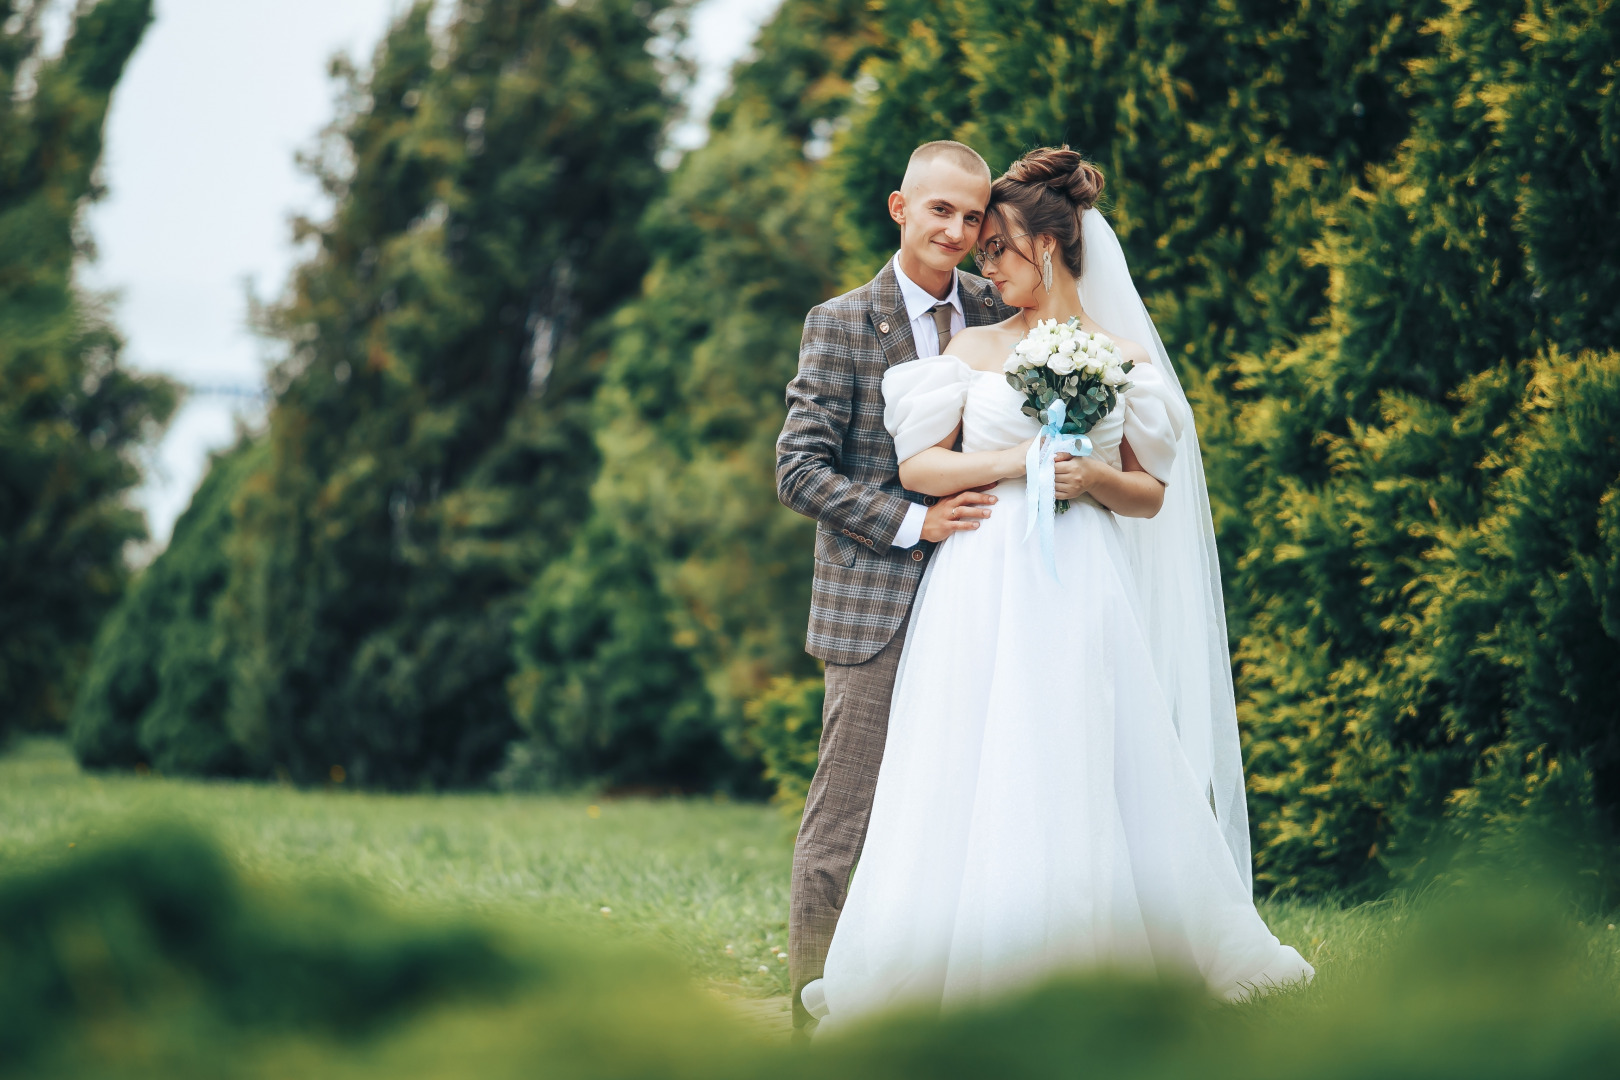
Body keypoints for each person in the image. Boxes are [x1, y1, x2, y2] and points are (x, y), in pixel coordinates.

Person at [795, 146, 1315, 1035]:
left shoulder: (1110, 354)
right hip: (971, 581)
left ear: (1046, 245)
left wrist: (1087, 478)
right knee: (936, 776)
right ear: (904, 208)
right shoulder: (940, 339)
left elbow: (1148, 491)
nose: (978, 256)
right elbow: (897, 465)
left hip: (1078, 588)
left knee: (1076, 759)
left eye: (993, 241)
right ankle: (885, 998)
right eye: (965, 232)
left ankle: (1084, 967)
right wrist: (1022, 463)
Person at [775, 139, 1021, 1038]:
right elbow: (798, 471)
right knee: (846, 821)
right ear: (899, 208)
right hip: (876, 608)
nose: (956, 230)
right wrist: (916, 521)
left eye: (971, 216)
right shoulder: (840, 322)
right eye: (939, 211)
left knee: (964, 812)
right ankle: (813, 1027)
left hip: (992, 599)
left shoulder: (1006, 308)